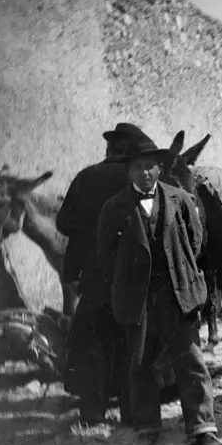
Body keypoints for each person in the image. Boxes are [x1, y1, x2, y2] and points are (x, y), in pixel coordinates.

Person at [96, 132, 222, 445]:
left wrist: (180, 277)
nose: (146, 173)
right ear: (128, 171)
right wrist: (132, 283)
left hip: (177, 294)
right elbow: (106, 259)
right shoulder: (114, 209)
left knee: (191, 360)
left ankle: (202, 427)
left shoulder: (180, 199)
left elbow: (196, 244)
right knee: (140, 364)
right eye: (138, 167)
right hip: (138, 299)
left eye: (151, 166)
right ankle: (147, 427)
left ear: (159, 168)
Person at [58, 123, 140, 426]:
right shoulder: (139, 179)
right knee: (130, 341)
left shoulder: (86, 176)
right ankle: (132, 412)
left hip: (95, 274)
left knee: (93, 341)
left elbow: (64, 223)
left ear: (109, 149)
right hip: (133, 274)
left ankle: (92, 413)